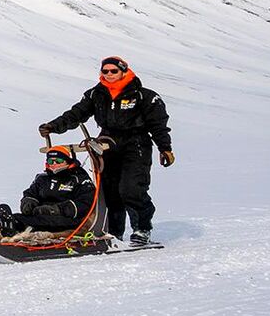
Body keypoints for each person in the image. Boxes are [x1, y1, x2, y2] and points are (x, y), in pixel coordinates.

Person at [40, 56, 174, 247]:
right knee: (109, 192)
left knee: (131, 188)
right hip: (106, 144)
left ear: (124, 71)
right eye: (105, 71)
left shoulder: (144, 96)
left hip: (136, 144)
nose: (109, 75)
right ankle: (114, 232)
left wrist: (165, 148)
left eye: (114, 71)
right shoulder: (96, 94)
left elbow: (158, 125)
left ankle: (142, 229)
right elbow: (77, 114)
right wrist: (54, 126)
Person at [0, 145, 97, 238]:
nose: (54, 164)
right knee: (24, 217)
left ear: (68, 162)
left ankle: (4, 227)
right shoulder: (42, 178)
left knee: (36, 220)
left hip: (68, 219)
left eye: (59, 161)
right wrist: (28, 202)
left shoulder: (79, 179)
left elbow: (86, 203)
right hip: (40, 215)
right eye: (51, 161)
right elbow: (30, 193)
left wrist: (57, 209)